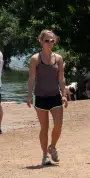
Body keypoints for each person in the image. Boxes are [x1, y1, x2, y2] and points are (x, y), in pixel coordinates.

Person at [27, 30, 68, 165]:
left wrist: (64, 95)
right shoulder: (35, 59)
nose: (50, 43)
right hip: (40, 97)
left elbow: (61, 78)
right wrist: (29, 95)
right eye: (47, 40)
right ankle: (45, 156)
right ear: (41, 41)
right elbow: (32, 78)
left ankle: (53, 146)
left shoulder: (58, 58)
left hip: (55, 95)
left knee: (58, 125)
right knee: (44, 127)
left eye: (52, 40)